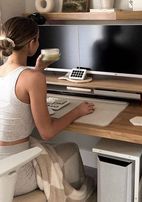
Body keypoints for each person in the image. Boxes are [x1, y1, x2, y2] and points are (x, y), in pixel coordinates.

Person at [0, 16, 95, 197]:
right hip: (11, 176)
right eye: (38, 38)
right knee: (72, 148)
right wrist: (78, 111)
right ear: (32, 43)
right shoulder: (33, 78)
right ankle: (80, 195)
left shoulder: (13, 73)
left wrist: (38, 70)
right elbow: (47, 132)